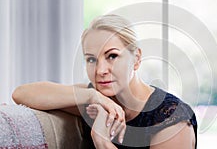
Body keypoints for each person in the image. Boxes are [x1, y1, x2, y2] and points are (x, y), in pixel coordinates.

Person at [12, 14, 197, 149]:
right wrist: (92, 95)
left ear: (137, 58)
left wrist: (102, 140)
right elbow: (21, 94)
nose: (100, 70)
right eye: (91, 59)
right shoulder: (95, 99)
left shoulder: (171, 118)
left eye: (112, 56)